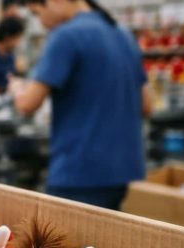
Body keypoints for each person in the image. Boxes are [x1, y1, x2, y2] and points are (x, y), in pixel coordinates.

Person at [12, 0, 151, 210]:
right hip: (121, 173)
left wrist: (16, 88)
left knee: (71, 243)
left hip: (79, 172)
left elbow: (27, 104)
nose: (40, 22)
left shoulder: (65, 36)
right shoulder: (123, 34)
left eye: (36, 13)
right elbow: (147, 105)